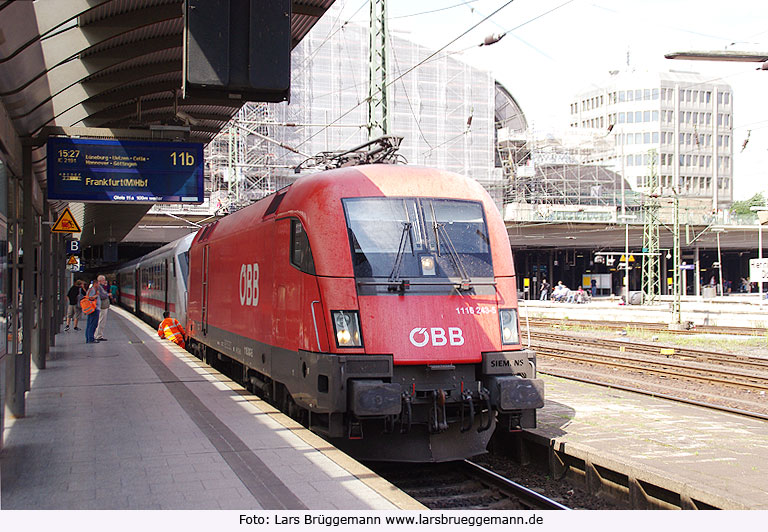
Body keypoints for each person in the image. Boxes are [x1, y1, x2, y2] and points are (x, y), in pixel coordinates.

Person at [84, 278, 101, 343]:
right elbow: (90, 298)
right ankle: (90, 339)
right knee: (93, 324)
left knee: (90, 324)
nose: (98, 285)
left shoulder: (91, 289)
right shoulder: (92, 290)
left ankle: (89, 338)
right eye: (98, 284)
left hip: (92, 309)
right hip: (93, 309)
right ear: (95, 284)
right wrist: (97, 295)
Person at [94, 274, 110, 342]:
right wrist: (107, 294)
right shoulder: (99, 287)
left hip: (103, 306)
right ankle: (98, 335)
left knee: (101, 320)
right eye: (103, 280)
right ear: (100, 281)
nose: (105, 281)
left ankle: (98, 335)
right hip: (102, 306)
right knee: (101, 321)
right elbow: (102, 296)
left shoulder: (100, 287)